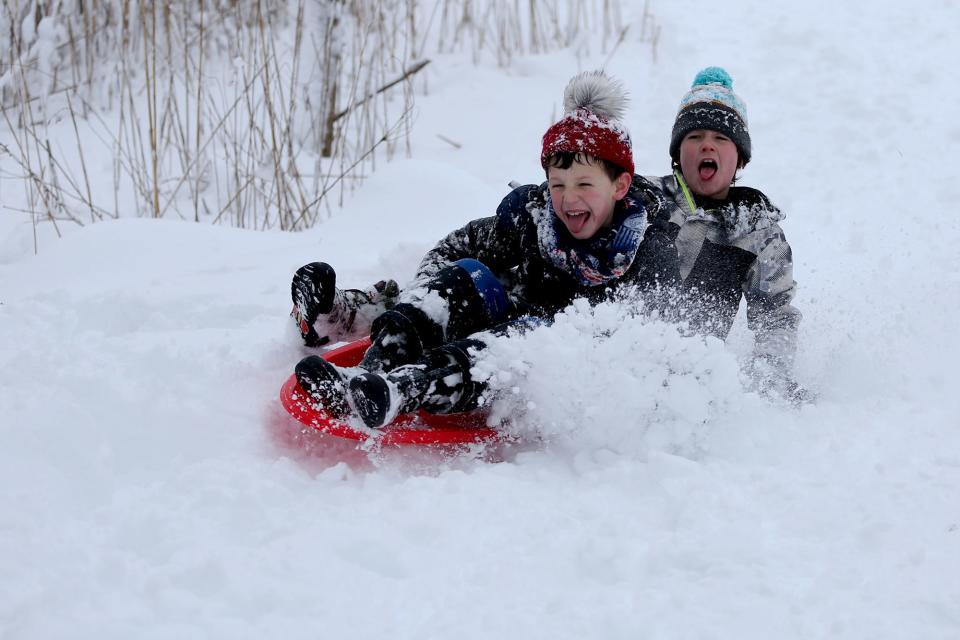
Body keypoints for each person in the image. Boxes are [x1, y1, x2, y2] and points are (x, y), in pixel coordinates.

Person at [290, 70, 683, 428]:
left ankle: (399, 391)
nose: (567, 198)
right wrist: (423, 294)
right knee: (464, 277)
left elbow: (641, 350)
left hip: (541, 366)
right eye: (558, 184)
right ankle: (365, 376)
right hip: (498, 325)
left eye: (584, 184)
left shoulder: (648, 254)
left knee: (524, 339)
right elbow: (457, 246)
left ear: (619, 186)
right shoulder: (533, 218)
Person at [644, 67, 806, 401]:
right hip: (626, 359)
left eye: (721, 139)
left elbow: (775, 317)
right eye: (694, 138)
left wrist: (767, 380)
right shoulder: (644, 201)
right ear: (677, 154)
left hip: (693, 384)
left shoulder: (756, 231)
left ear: (740, 160)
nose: (707, 146)